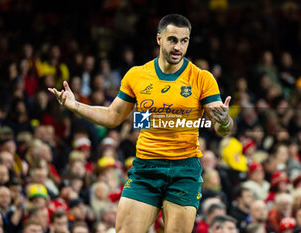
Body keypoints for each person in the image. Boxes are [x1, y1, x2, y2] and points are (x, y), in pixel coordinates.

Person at [49, 14, 233, 233]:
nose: (178, 46)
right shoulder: (137, 75)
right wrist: (75, 105)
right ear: (159, 39)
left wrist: (225, 121)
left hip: (184, 170)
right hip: (146, 168)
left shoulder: (202, 78)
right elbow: (112, 116)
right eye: (172, 39)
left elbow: (222, 129)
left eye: (184, 41)